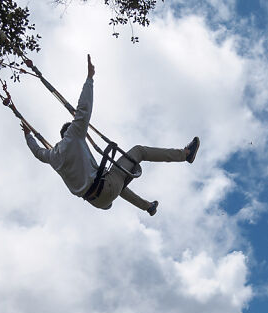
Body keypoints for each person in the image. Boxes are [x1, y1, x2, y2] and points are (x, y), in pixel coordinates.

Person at [21, 54, 199, 216]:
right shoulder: (74, 135)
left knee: (115, 179)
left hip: (98, 200)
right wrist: (90, 78)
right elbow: (83, 110)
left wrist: (28, 135)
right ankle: (184, 155)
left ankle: (147, 206)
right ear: (69, 131)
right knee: (139, 151)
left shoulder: (52, 156)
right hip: (104, 187)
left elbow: (37, 151)